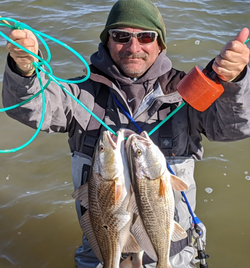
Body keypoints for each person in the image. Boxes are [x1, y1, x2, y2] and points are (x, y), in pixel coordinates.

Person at [2, 0, 250, 267]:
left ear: (160, 45)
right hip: (103, 250)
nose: (134, 47)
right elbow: (31, 108)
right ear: (107, 41)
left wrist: (235, 81)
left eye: (145, 37)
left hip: (170, 252)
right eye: (121, 36)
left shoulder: (185, 92)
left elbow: (234, 126)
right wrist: (23, 70)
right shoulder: (80, 94)